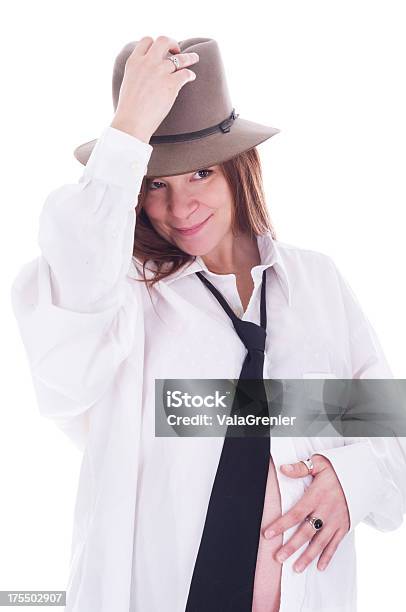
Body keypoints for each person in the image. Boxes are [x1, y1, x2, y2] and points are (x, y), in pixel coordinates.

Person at [10, 35, 406, 612]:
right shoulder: (123, 296)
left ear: (239, 167)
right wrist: (128, 133)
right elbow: (72, 303)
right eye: (155, 184)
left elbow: (388, 431)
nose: (179, 208)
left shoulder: (317, 285)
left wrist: (353, 478)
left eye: (199, 174)